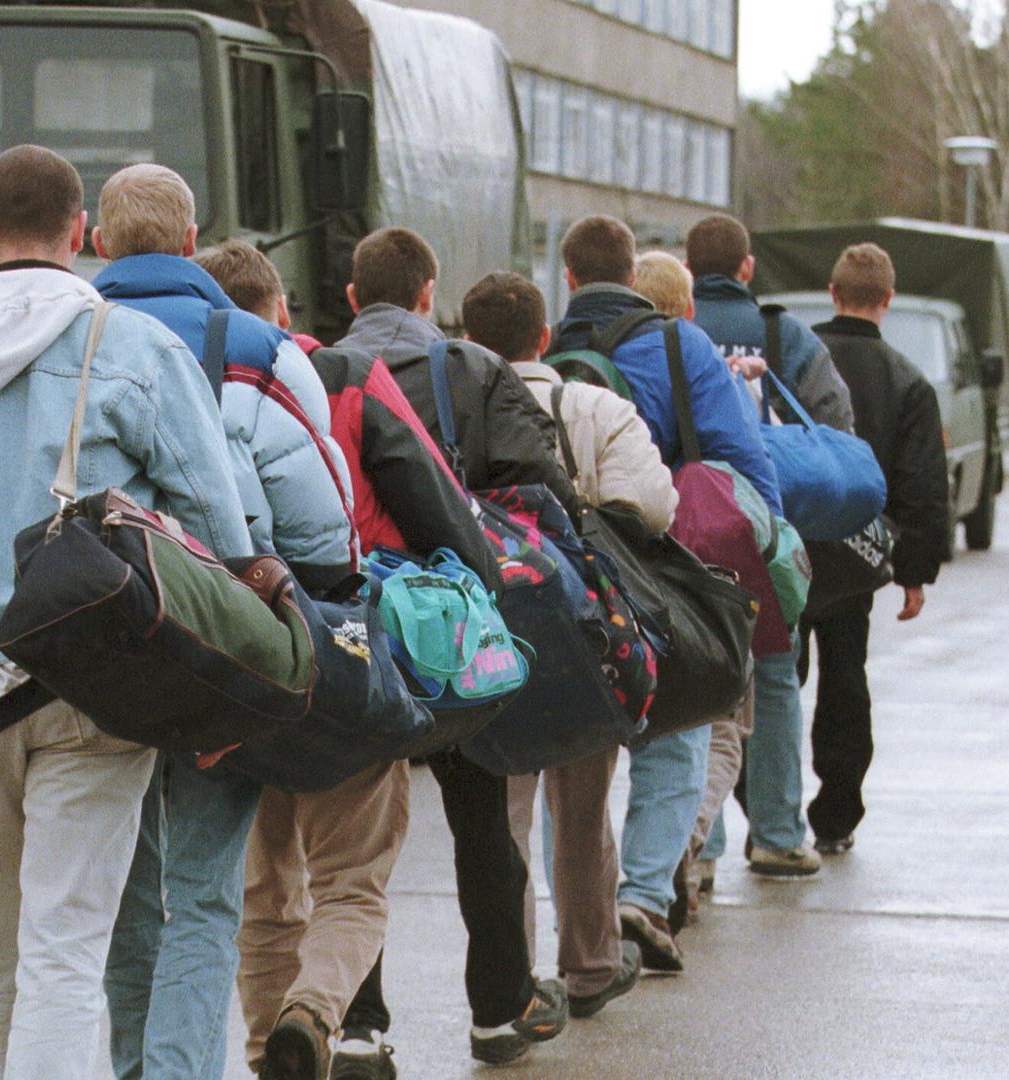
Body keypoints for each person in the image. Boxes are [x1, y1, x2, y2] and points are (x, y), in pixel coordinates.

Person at [0, 145, 251, 1080]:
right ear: (84, 237)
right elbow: (218, 525)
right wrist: (219, 701)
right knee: (68, 951)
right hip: (99, 684)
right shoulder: (135, 348)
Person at [91, 166, 357, 1080]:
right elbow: (323, 526)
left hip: (92, 644)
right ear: (193, 235)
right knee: (202, 899)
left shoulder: (68, 339)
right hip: (215, 648)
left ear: (97, 239)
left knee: (126, 900)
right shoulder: (259, 349)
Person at [196, 238, 436, 1080]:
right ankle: (316, 1009)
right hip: (325, 647)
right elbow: (391, 507)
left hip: (226, 668)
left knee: (266, 894)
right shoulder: (329, 376)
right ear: (286, 312)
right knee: (352, 880)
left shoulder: (175, 379)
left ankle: (269, 1056)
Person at [335, 227, 572, 1068]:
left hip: (351, 625)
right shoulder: (473, 370)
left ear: (355, 297)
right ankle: (498, 1009)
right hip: (450, 624)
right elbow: (545, 488)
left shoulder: (317, 369)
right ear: (430, 293)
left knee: (355, 844)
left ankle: (358, 1022)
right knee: (482, 823)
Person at [549, 214, 780, 971]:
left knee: (576, 755)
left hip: (571, 574)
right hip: (660, 567)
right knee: (678, 730)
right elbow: (743, 463)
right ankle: (644, 895)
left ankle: (577, 918)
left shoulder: (548, 351)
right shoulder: (684, 347)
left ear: (572, 279)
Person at [464, 269, 669, 1020]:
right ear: (544, 338)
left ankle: (518, 985)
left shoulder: (448, 406)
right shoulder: (595, 406)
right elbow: (652, 505)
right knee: (582, 807)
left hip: (485, 630)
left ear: (467, 336)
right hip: (585, 633)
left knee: (505, 812)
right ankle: (589, 962)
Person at [686, 212, 855, 881]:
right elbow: (834, 426)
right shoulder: (787, 335)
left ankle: (698, 848)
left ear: (690, 269)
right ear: (748, 267)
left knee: (702, 683)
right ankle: (779, 833)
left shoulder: (676, 335)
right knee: (777, 677)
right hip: (769, 531)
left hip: (692, 528)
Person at [799, 242, 950, 856]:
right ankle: (836, 814)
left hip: (788, 547)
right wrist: (913, 571)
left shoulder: (795, 359)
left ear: (832, 294)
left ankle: (768, 808)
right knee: (844, 679)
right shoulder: (907, 381)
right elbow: (922, 486)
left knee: (778, 679)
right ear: (887, 300)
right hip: (857, 556)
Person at [633, 251, 753, 926]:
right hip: (691, 557)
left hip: (605, 563)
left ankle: (639, 886)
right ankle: (683, 855)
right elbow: (743, 456)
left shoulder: (588, 355)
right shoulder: (691, 350)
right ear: (686, 308)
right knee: (715, 718)